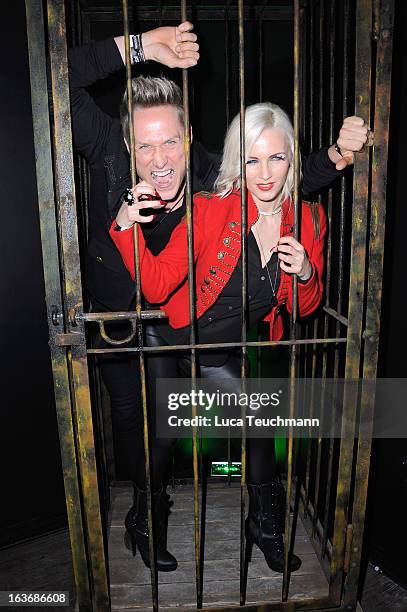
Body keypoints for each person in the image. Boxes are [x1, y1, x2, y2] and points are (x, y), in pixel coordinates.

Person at [69, 23, 368, 571]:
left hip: (196, 331)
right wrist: (138, 48)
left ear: (189, 141)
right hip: (121, 322)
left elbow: (274, 178)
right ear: (128, 143)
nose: (159, 159)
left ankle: (263, 523)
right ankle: (146, 517)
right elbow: (56, 84)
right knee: (147, 434)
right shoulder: (109, 146)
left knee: (257, 417)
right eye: (145, 145)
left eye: (171, 142)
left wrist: (337, 157)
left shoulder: (210, 180)